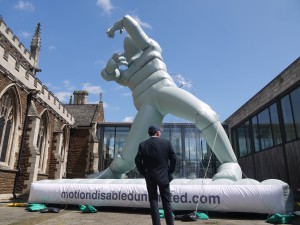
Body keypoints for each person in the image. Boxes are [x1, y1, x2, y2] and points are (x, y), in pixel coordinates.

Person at [97, 15, 241, 181]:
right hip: (147, 107)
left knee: (204, 114)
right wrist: (111, 65)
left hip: (164, 92)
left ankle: (230, 163)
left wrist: (117, 25)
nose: (128, 49)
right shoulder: (127, 73)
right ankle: (114, 171)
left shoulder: (150, 48)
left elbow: (129, 21)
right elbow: (107, 76)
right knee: (127, 155)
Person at [135, 125, 176, 225]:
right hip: (164, 177)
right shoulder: (166, 143)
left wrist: (144, 173)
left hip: (150, 177)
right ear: (157, 133)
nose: (160, 133)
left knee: (153, 202)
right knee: (167, 202)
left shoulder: (143, 145)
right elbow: (174, 158)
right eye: (160, 131)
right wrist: (169, 172)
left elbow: (137, 160)